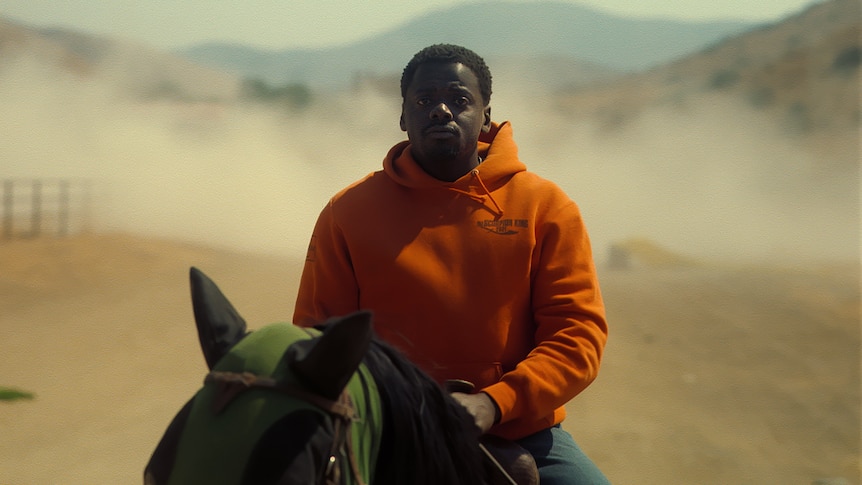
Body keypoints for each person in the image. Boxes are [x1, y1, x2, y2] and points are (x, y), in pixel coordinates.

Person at [293, 43, 610, 484]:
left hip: (518, 429)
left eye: (460, 100)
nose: (441, 110)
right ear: (404, 117)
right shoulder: (347, 212)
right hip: (382, 431)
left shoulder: (545, 207)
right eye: (424, 101)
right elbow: (318, 334)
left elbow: (578, 334)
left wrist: (492, 403)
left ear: (486, 115)